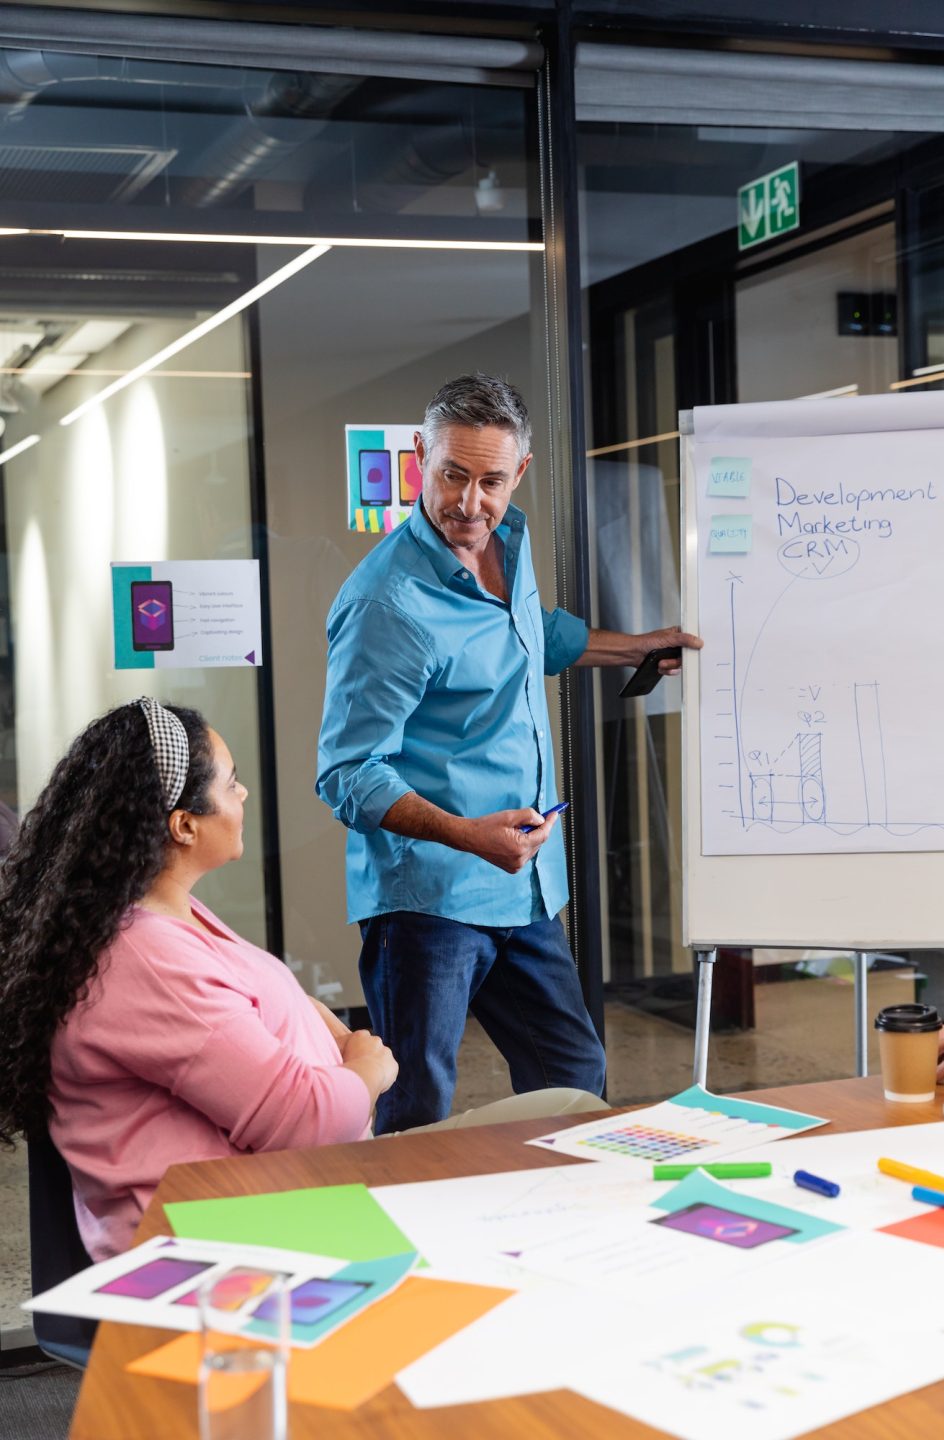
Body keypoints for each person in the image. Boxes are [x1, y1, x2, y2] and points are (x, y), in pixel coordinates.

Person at [317, 373, 703, 1133]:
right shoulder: (384, 603)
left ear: (518, 473)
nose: (469, 502)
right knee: (415, 1103)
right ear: (419, 457)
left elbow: (538, 636)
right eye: (452, 474)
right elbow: (347, 775)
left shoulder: (509, 544)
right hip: (428, 901)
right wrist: (468, 835)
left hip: (522, 890)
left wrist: (636, 648)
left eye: (490, 480)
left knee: (572, 1075)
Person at [0, 698, 398, 1262]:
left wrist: (309, 1022)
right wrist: (368, 1066)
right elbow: (306, 1119)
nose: (243, 795)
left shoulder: (158, 915)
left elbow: (233, 1007)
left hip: (275, 1214)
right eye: (231, 783)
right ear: (184, 825)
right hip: (226, 1256)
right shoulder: (146, 959)